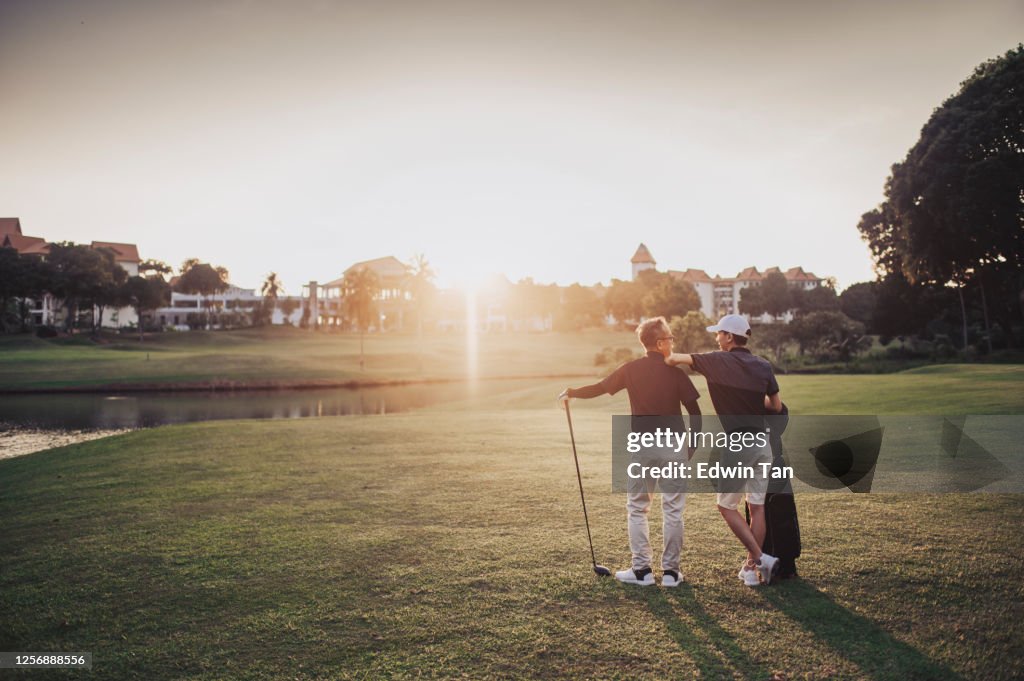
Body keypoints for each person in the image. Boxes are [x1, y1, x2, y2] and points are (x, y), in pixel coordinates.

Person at [559, 316, 701, 587]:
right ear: (659, 343)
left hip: (644, 446)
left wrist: (572, 392)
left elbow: (600, 388)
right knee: (673, 510)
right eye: (670, 338)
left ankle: (642, 572)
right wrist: (691, 446)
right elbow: (694, 412)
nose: (672, 341)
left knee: (638, 507)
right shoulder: (676, 372)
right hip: (674, 446)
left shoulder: (631, 369)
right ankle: (670, 574)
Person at [666, 313, 782, 586]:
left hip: (738, 445)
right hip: (761, 443)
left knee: (725, 506)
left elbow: (673, 359)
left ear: (729, 337)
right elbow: (775, 406)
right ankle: (751, 571)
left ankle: (760, 558)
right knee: (757, 508)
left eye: (719, 333)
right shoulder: (763, 365)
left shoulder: (715, 360)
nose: (716, 338)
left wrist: (663, 349)